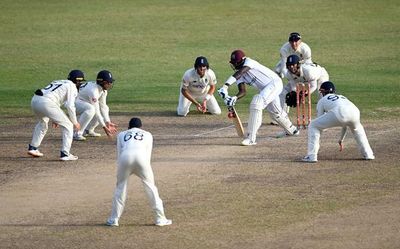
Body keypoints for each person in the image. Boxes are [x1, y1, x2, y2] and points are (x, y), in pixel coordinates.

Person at [217, 49, 299, 146]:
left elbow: (240, 73)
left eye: (235, 63)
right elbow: (242, 91)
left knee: (257, 103)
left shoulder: (249, 62)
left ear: (241, 61)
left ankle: (251, 138)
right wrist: (234, 98)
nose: (234, 65)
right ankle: (292, 130)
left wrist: (225, 86)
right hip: (266, 89)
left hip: (274, 83)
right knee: (275, 113)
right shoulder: (239, 73)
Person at [106, 117, 172, 227]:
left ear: (129, 127)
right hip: (142, 159)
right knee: (151, 188)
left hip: (124, 158)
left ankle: (114, 220)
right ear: (141, 127)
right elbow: (148, 154)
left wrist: (121, 170)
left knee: (120, 188)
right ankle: (160, 219)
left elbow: (119, 153)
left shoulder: (121, 134)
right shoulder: (147, 134)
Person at [302, 81, 375, 163]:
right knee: (358, 131)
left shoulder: (322, 100)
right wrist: (341, 139)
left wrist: (326, 126)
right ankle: (369, 154)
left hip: (339, 112)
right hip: (355, 111)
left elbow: (320, 124)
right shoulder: (342, 97)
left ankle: (311, 156)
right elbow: (345, 123)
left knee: (313, 125)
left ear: (322, 91)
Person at [28, 70, 84, 161]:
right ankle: (65, 154)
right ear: (77, 81)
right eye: (80, 82)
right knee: (68, 125)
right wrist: (75, 122)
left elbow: (54, 98)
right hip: (47, 102)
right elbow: (70, 106)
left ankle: (33, 148)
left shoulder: (58, 81)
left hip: (35, 100)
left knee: (42, 123)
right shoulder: (72, 86)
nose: (80, 84)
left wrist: (54, 118)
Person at [74, 70, 117, 141]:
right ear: (103, 82)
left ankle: (88, 130)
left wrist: (108, 121)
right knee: (91, 109)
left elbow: (103, 106)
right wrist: (104, 127)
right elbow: (96, 111)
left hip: (84, 102)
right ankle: (77, 133)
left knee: (101, 109)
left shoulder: (103, 90)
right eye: (109, 82)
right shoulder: (93, 91)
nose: (110, 84)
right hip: (75, 102)